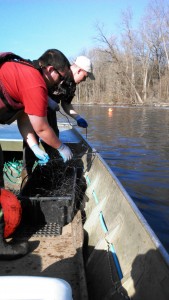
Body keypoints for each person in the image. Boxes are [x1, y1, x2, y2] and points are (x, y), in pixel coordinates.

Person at [0, 49, 73, 260]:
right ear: (50, 70)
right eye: (61, 77)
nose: (60, 84)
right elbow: (41, 128)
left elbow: (24, 120)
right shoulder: (35, 82)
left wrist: (34, 148)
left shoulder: (27, 72)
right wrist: (61, 147)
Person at [22, 55, 95, 177]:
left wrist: (77, 117)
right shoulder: (58, 68)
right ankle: (26, 174)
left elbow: (66, 105)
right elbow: (31, 81)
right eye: (85, 76)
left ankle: (52, 174)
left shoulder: (72, 85)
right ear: (79, 70)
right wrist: (48, 100)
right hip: (33, 110)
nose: (84, 80)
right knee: (30, 147)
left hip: (50, 114)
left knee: (54, 142)